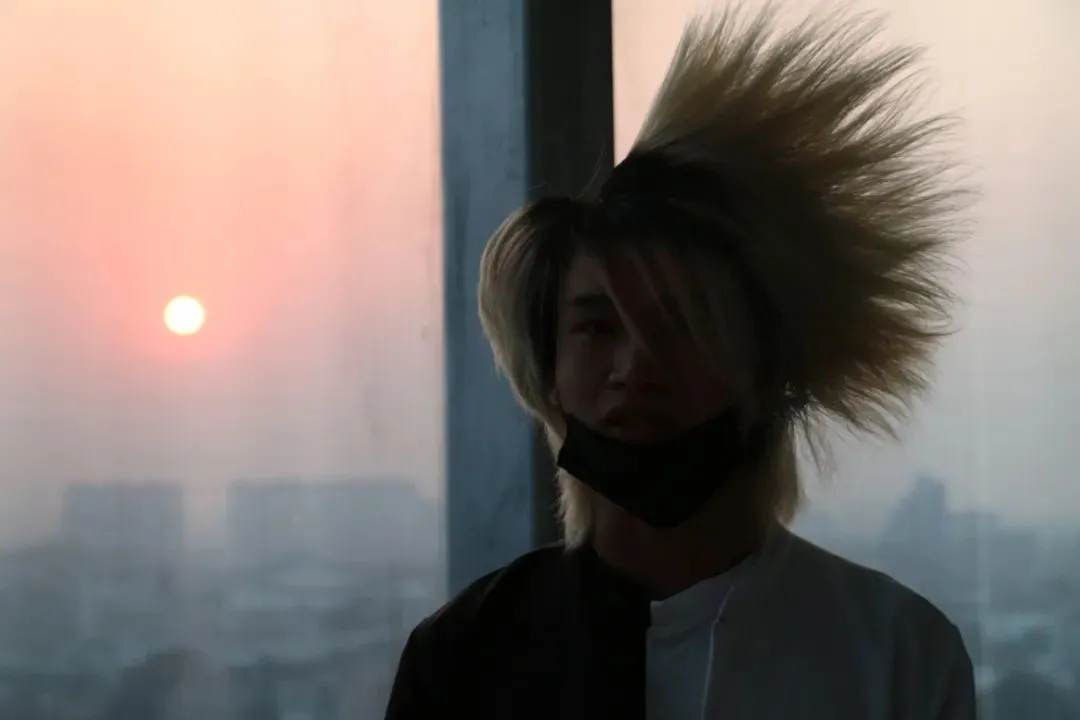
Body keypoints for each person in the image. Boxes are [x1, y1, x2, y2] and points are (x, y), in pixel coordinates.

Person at [386, 4, 976, 719]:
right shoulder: (464, 654)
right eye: (597, 327)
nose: (635, 365)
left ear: (771, 367)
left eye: (683, 324)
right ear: (548, 369)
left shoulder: (896, 654)